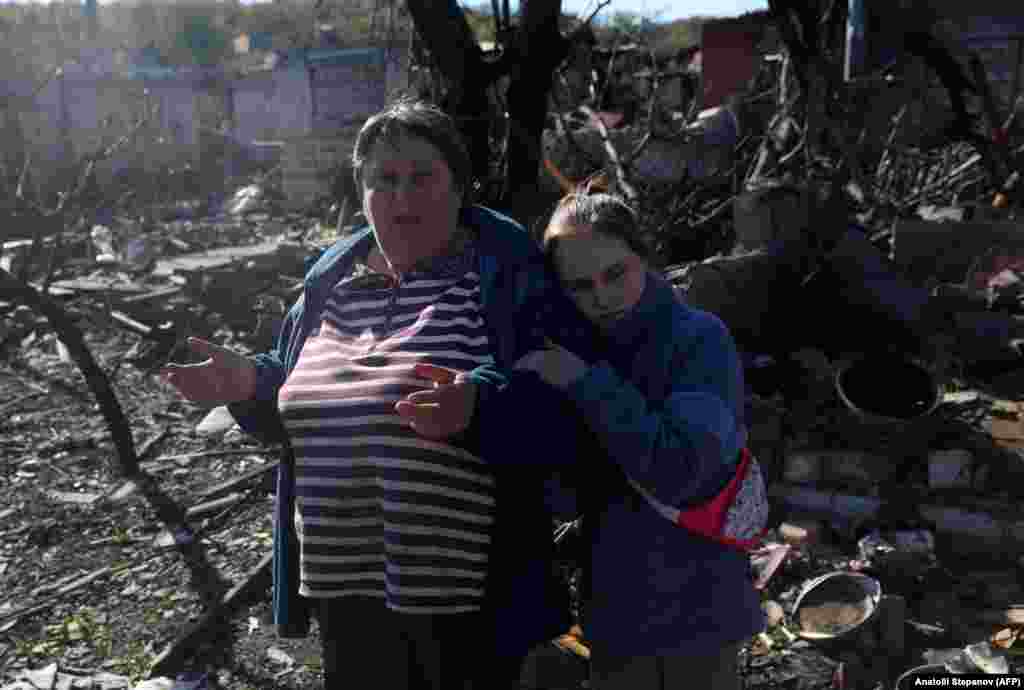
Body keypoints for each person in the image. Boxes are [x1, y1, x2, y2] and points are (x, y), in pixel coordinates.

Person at [161, 98, 582, 690]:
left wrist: (478, 408)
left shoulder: (505, 278)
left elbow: (561, 403)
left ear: (461, 187)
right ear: (360, 193)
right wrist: (249, 384)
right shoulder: (328, 288)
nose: (403, 199)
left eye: (422, 178)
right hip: (342, 588)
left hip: (466, 601)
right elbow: (297, 406)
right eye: (384, 181)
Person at [474, 190, 765, 690]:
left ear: (644, 258)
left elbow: (682, 469)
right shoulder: (574, 346)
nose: (602, 297)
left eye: (615, 274)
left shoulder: (697, 340)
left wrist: (584, 382)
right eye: (580, 286)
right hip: (614, 618)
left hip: (698, 615)